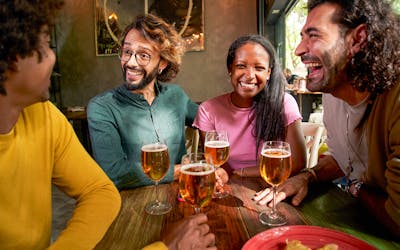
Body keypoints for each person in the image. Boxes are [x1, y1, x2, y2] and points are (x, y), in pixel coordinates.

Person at [254, 0, 400, 237]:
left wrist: (354, 187)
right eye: (302, 37)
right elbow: (344, 158)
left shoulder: (396, 100)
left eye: (313, 36)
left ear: (358, 39)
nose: (299, 49)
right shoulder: (334, 94)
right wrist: (307, 177)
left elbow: (397, 220)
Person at [0, 0, 121, 248]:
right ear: (13, 57)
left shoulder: (44, 115)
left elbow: (100, 191)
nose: (54, 57)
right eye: (45, 43)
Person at [87, 14, 199, 189]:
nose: (131, 62)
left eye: (143, 55)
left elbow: (212, 121)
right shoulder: (102, 107)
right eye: (127, 52)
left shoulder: (176, 96)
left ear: (162, 63)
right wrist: (183, 170)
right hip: (133, 207)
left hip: (181, 198)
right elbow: (115, 173)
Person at [193, 35, 306, 178]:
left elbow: (298, 162)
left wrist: (243, 173)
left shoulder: (284, 103)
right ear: (230, 69)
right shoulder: (208, 110)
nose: (250, 75)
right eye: (241, 66)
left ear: (268, 73)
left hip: (274, 185)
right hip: (230, 186)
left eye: (259, 68)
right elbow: (216, 165)